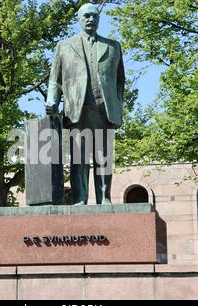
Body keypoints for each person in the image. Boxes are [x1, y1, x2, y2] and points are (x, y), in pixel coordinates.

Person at [45, 3, 125, 205]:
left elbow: (119, 81)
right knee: (79, 160)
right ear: (79, 19)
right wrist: (52, 100)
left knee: (103, 159)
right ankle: (80, 198)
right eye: (86, 16)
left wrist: (117, 108)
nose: (91, 19)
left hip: (104, 111)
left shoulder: (113, 46)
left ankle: (104, 198)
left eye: (94, 16)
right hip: (77, 111)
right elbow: (56, 78)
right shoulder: (64, 46)